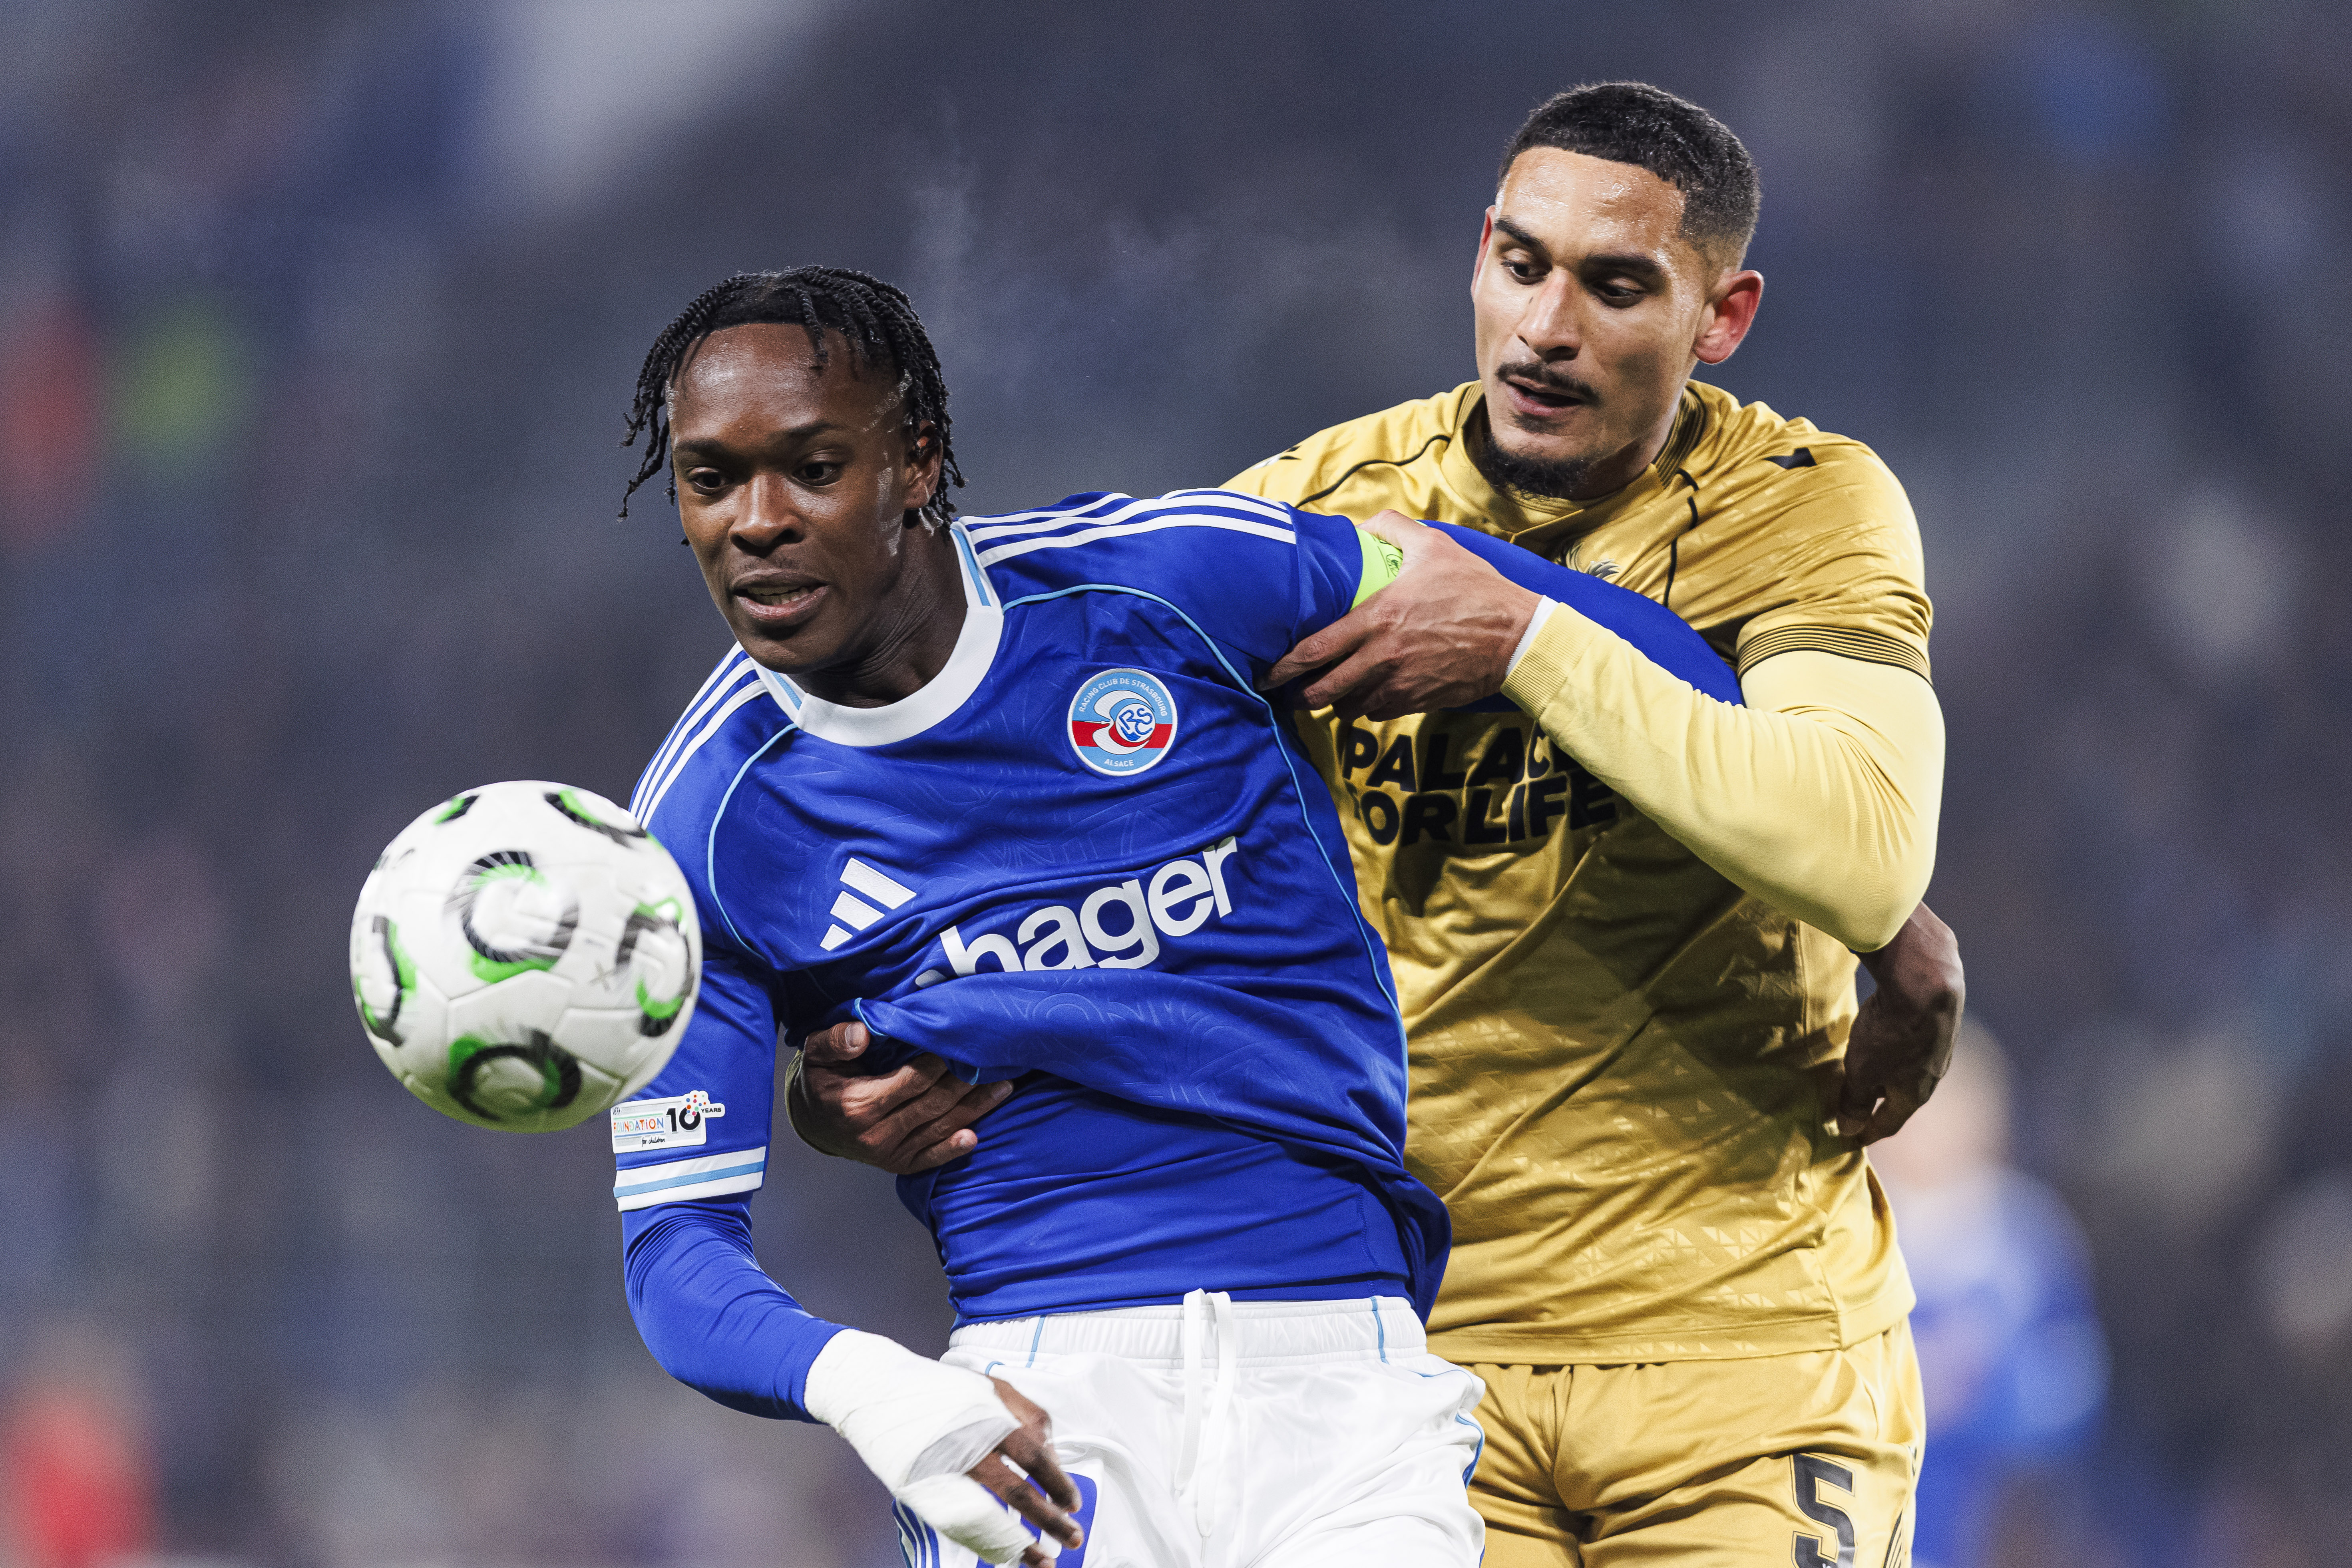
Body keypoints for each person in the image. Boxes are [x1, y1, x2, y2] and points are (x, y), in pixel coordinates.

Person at [796, 84, 1968, 1568]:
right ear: (1478, 256)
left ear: (1719, 316)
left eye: (1615, 287)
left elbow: (1860, 845)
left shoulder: (1797, 508)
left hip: (1741, 1341)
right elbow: (1071, 839)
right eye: (1521, 266)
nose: (1546, 328)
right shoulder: (1315, 511)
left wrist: (1516, 637)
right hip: (1406, 1356)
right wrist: (886, 1057)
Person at [606, 266, 1746, 1568]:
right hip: (1036, 1410)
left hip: (1346, 1387)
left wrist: (1862, 907)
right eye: (710, 481)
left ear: (915, 458)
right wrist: (876, 1388)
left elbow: (1651, 667)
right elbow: (675, 1253)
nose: (755, 523)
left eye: (812, 468)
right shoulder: (696, 827)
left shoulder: (1171, 580)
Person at [1872, 1025, 2108, 1568]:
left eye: (1940, 1101)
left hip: (1983, 1513)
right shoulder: (1842, 1222)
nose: (1920, 1125)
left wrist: (1981, 1388)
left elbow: (2073, 1384)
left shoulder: (2022, 1235)